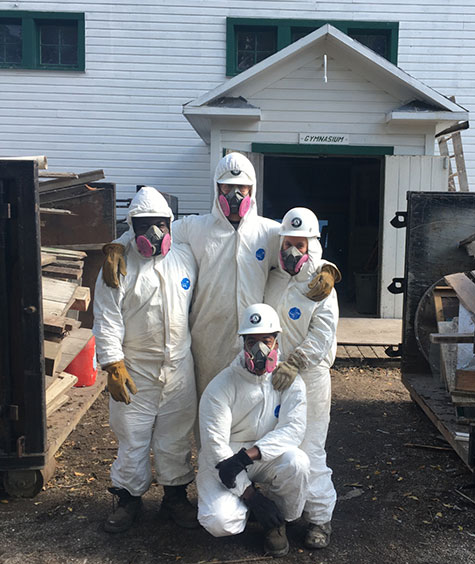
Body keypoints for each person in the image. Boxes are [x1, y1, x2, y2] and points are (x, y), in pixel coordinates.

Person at [101, 153, 340, 398]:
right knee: (208, 407)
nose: (234, 196)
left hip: (254, 335)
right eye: (227, 187)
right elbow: (155, 228)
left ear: (252, 189)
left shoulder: (268, 232)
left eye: (242, 188)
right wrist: (119, 245)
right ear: (217, 188)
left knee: (255, 409)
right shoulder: (196, 228)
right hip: (208, 340)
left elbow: (302, 243)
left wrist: (325, 268)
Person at [93, 186, 199, 533]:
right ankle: (128, 500)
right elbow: (107, 317)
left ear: (171, 223)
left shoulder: (185, 256)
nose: (153, 233)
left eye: (159, 224)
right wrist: (112, 364)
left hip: (179, 367)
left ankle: (175, 498)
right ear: (131, 226)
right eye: (143, 225)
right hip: (135, 367)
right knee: (132, 437)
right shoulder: (118, 265)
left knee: (176, 437)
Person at [196, 303, 310, 557]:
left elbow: (293, 429)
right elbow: (215, 447)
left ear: (276, 344)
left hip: (262, 456)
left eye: (266, 341)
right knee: (219, 522)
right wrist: (251, 496)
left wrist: (251, 455)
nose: (259, 349)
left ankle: (277, 522)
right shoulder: (222, 386)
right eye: (251, 341)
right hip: (226, 459)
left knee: (298, 462)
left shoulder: (289, 382)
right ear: (243, 344)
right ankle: (252, 506)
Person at [264, 207, 339, 549]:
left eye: (301, 245)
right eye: (288, 243)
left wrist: (295, 361)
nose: (292, 252)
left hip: (307, 375)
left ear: (312, 246)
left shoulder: (321, 285)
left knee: (310, 447)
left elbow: (323, 334)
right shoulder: (272, 276)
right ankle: (277, 515)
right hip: (272, 375)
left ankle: (320, 520)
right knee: (275, 446)